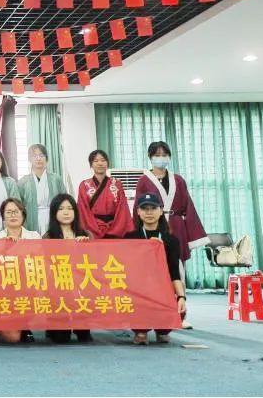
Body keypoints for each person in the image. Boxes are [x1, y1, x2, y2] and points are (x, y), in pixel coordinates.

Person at [134, 142, 208, 311]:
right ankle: (155, 311)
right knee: (152, 270)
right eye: (157, 155)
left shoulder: (178, 180)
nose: (160, 158)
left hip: (176, 225)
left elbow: (188, 206)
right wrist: (138, 234)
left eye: (164, 155)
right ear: (150, 157)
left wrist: (191, 234)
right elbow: (137, 209)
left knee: (177, 268)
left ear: (169, 157)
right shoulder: (143, 181)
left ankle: (180, 312)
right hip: (153, 226)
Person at [125, 192, 186, 345]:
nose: (149, 212)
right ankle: (140, 330)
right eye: (144, 209)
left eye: (153, 208)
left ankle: (162, 330)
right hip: (138, 292)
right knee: (140, 328)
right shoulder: (129, 238)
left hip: (162, 290)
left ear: (160, 211)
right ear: (138, 212)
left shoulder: (171, 240)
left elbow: (174, 273)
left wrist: (181, 297)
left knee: (178, 312)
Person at [41, 193, 92, 343]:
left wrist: (85, 246)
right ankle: (53, 326)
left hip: (81, 288)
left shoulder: (86, 235)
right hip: (58, 290)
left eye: (70, 208)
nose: (66, 212)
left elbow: (94, 263)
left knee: (84, 337)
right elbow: (46, 266)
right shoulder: (48, 237)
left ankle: (81, 324)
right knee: (61, 338)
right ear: (54, 213)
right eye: (61, 209)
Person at [0, 198, 39, 344]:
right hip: (2, 291)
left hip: (27, 289)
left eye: (16, 211)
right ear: (3, 217)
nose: (13, 215)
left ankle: (23, 326)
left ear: (23, 214)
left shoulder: (34, 236)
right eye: (8, 212)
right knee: (12, 339)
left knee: (14, 336)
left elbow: (37, 262)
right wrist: (5, 247)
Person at [77, 150, 131, 239]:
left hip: (114, 228)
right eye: (96, 161)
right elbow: (83, 210)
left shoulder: (117, 184)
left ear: (108, 163)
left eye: (103, 160)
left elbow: (122, 209)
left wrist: (115, 229)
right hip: (92, 229)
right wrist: (93, 228)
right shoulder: (84, 185)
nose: (100, 163)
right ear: (91, 164)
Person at [18, 144, 67, 235]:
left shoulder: (56, 179)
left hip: (53, 218)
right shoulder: (23, 182)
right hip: (30, 220)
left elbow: (65, 201)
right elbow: (18, 206)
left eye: (41, 155)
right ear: (30, 159)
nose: (38, 158)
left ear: (46, 158)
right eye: (34, 156)